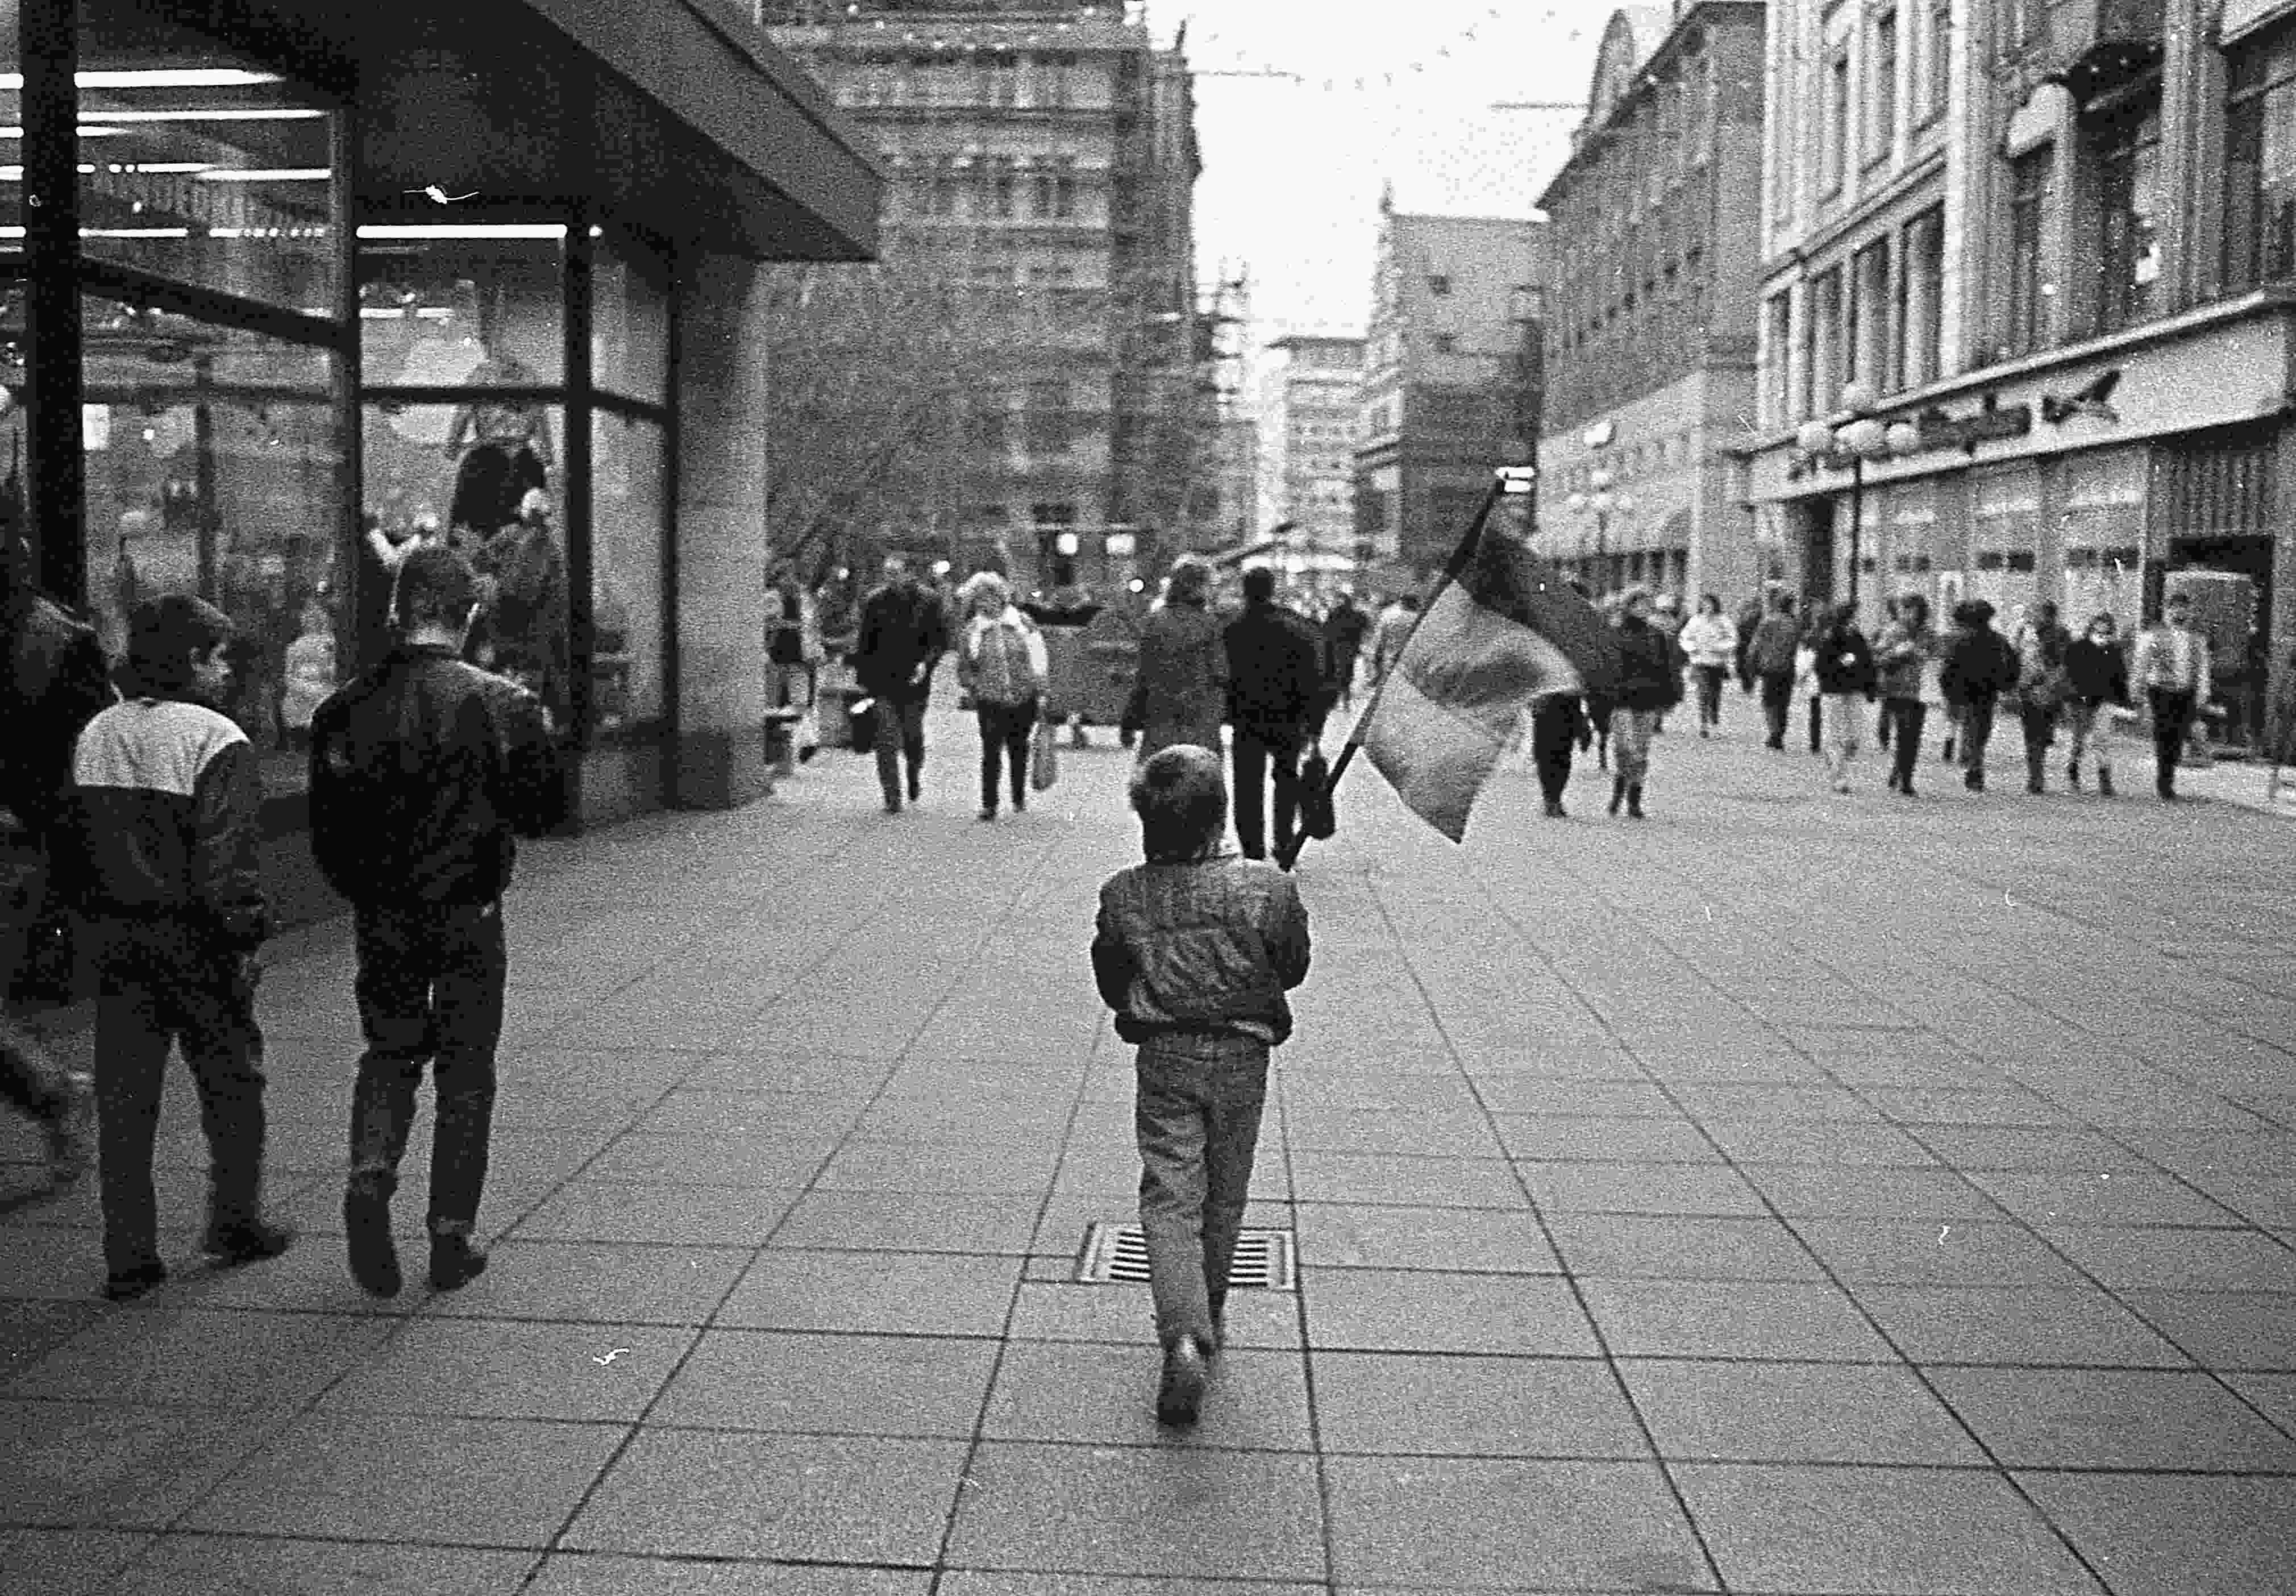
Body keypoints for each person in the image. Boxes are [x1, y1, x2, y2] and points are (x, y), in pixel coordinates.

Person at [309, 545, 562, 1298]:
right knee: (467, 1071)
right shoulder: (503, 703)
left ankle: (370, 1173)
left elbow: (329, 835)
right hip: (468, 909)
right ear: (470, 615)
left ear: (397, 610)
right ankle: (450, 1235)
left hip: (383, 910)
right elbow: (544, 811)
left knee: (388, 1052)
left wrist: (369, 888)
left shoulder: (344, 708)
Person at [69, 595, 287, 1301]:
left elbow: (74, 845)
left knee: (127, 1099)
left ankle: (129, 1253)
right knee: (231, 1083)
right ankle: (233, 1220)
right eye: (218, 657)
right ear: (192, 659)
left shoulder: (98, 732)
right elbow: (228, 859)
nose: (226, 672)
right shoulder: (216, 738)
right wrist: (245, 936)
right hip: (198, 944)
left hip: (116, 942)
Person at [1091, 745, 1310, 1427]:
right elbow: (1292, 965)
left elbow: (1110, 977)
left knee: (1169, 1194)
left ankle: (1182, 1330)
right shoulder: (1265, 887)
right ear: (1221, 818)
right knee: (1225, 1190)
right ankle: (1208, 1307)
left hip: (1165, 1055)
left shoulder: (1123, 894)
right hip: (1243, 1055)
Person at [1, 542, 111, 1187]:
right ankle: (53, 1091)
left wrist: (39, 818)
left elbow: (83, 750)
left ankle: (54, 1091)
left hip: (16, 836)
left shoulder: (56, 641)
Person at [1222, 567, 1324, 863]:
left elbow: (1223, 677)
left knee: (1247, 785)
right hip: (1288, 718)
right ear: (1272, 590)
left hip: (1247, 719)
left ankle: (1253, 848)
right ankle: (1283, 841)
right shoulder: (1296, 630)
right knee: (1287, 778)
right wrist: (1312, 722)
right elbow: (1312, 680)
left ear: (1245, 591)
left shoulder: (1232, 631)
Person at [852, 556, 951, 813]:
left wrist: (926, 664)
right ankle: (892, 796)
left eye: (895, 572)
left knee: (912, 736)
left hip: (915, 681)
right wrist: (862, 680)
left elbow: (940, 642)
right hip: (882, 681)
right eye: (887, 573)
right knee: (885, 740)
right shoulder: (874, 601)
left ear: (908, 573)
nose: (891, 577)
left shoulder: (929, 601)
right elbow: (865, 642)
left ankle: (914, 770)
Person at [954, 570, 1047, 821]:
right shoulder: (972, 631)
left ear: (1001, 597)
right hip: (990, 700)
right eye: (979, 599)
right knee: (991, 750)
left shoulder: (1023, 623)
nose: (985, 604)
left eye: (990, 597)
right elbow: (964, 667)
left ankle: (1018, 795)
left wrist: (1041, 690)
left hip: (1022, 696)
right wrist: (975, 686)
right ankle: (989, 804)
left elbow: (1039, 658)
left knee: (1019, 748)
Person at [1130, 555, 1228, 762]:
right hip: (1200, 717)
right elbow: (1220, 673)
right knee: (1200, 781)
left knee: (1158, 779)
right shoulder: (1209, 624)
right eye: (1208, 585)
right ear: (1198, 587)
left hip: (1161, 715)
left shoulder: (1156, 622)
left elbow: (1143, 674)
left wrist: (1130, 718)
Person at [1607, 587, 1682, 818]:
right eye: (1637, 603)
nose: (1642, 608)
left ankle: (1634, 799)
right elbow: (1606, 668)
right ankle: (1621, 783)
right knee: (1625, 748)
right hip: (1622, 700)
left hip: (1648, 699)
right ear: (1628, 606)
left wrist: (1671, 696)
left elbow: (1668, 668)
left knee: (1641, 751)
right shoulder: (1615, 633)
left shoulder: (1656, 635)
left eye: (1646, 603)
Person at [2131, 591, 2211, 800]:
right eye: (2175, 607)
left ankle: (2169, 769)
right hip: (2161, 691)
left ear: (2189, 611)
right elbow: (2142, 663)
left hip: (2185, 692)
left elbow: (2203, 668)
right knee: (2164, 733)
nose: (2180, 611)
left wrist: (2203, 692)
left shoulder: (2197, 639)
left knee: (2178, 735)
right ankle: (2164, 780)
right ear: (2168, 610)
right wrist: (2136, 690)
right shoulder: (2155, 635)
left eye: (2184, 607)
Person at [1938, 599, 2020, 791]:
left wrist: (1948, 690)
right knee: (1982, 727)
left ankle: (1973, 758)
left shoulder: (1962, 640)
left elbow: (1948, 668)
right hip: (1987, 690)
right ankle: (1976, 760)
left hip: (1966, 690)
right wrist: (2008, 685)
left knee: (1971, 724)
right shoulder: (1997, 640)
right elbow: (2013, 664)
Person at [1812, 600, 1878, 794]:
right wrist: (1842, 663)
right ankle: (1839, 777)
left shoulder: (1858, 638)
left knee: (1855, 736)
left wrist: (1871, 688)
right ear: (1846, 619)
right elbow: (1821, 666)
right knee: (1834, 734)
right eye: (1855, 617)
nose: (1857, 621)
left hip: (1855, 690)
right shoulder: (1830, 638)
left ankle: (1836, 759)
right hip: (1833, 690)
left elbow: (1868, 663)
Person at [2064, 611, 2131, 796]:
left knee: (2102, 739)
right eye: (2100, 625)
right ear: (2093, 626)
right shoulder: (2078, 647)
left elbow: (2120, 676)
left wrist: (2124, 700)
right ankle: (2073, 770)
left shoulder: (2114, 650)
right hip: (2080, 701)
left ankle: (2105, 778)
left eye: (2107, 626)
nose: (2103, 630)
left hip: (2104, 700)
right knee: (2079, 740)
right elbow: (2070, 673)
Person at [1873, 594, 1933, 795]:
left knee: (1913, 736)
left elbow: (1935, 658)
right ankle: (1905, 780)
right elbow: (1877, 658)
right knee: (1904, 733)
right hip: (1896, 691)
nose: (1909, 614)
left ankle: (1901, 772)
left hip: (1921, 692)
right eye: (1906, 610)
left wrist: (1925, 656)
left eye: (1913, 610)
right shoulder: (1892, 632)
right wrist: (1898, 653)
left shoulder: (1928, 634)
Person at [2014, 600, 2074, 794]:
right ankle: (2035, 777)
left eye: (2039, 614)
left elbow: (2066, 662)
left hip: (2048, 688)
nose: (2036, 618)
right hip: (2031, 688)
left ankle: (2036, 774)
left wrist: (2052, 683)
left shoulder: (2060, 634)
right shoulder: (2026, 632)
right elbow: (2017, 656)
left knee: (2040, 732)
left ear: (2050, 616)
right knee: (2034, 732)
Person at [279, 597, 338, 751]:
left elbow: (333, 669)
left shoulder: (331, 643)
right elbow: (289, 676)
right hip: (301, 694)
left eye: (317, 614)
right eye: (308, 614)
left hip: (325, 690)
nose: (311, 618)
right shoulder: (294, 647)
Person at [1677, 594, 1738, 737]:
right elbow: (1685, 637)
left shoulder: (1723, 620)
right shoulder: (1695, 620)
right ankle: (1703, 723)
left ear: (1715, 605)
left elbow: (1733, 638)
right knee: (1703, 691)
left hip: (1717, 662)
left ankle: (1714, 718)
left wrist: (1721, 647)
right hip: (1699, 662)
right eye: (1704, 604)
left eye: (1710, 604)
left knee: (1715, 693)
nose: (1707, 607)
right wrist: (1691, 648)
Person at [1746, 591, 1800, 750]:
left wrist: (1751, 663)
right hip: (1787, 667)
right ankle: (1780, 732)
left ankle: (1774, 732)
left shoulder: (1768, 621)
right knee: (1783, 702)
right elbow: (1798, 645)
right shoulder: (1795, 624)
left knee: (1769, 701)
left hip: (1768, 667)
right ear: (1790, 606)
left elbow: (1755, 645)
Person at [1529, 692, 1592, 817]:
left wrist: (1584, 735)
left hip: (1562, 739)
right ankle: (1552, 802)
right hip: (1550, 739)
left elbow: (1578, 715)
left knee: (1559, 770)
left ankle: (1553, 801)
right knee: (1552, 770)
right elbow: (1536, 716)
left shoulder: (1570, 696)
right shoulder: (1545, 697)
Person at [1321, 588, 1371, 709]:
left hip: (1337, 648)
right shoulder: (1357, 615)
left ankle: (1339, 700)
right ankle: (1345, 700)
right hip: (1349, 649)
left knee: (1337, 673)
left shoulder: (1334, 614)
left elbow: (1325, 630)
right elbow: (1366, 627)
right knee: (1347, 673)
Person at [1368, 591, 1420, 686]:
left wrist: (1377, 670)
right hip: (1411, 665)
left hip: (1390, 662)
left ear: (1402, 602)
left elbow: (1380, 643)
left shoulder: (1389, 616)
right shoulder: (1419, 620)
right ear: (1416, 604)